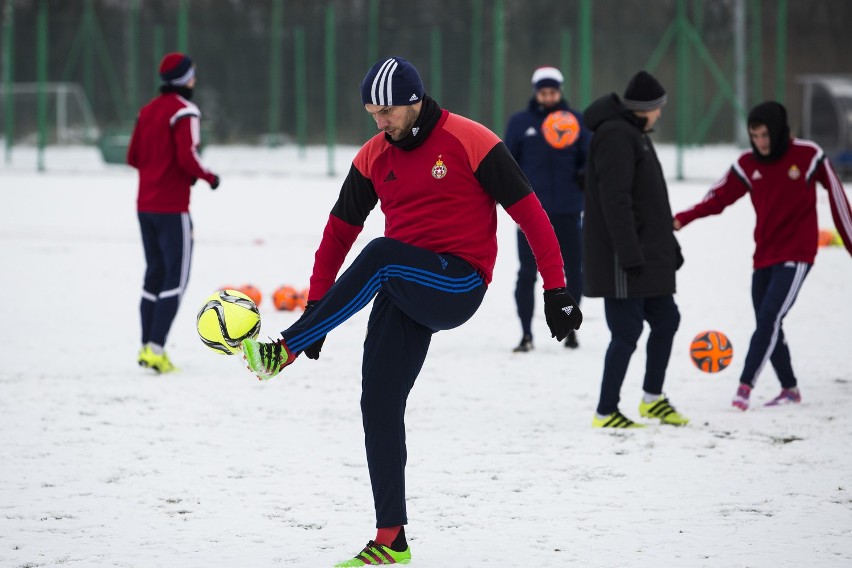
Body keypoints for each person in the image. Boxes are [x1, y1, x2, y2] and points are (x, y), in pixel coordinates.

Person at [241, 56, 583, 566]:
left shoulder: (471, 140)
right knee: (377, 403)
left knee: (380, 255)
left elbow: (530, 213)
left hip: (459, 280)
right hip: (401, 285)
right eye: (371, 112)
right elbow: (337, 233)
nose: (379, 122)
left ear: (414, 101)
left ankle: (285, 349)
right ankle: (390, 540)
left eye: (386, 111)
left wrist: (555, 290)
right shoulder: (372, 156)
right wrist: (318, 302)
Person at [674, 101, 852, 410]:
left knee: (769, 317)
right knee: (768, 322)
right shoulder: (747, 164)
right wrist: (681, 219)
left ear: (780, 131)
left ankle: (744, 387)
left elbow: (838, 201)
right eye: (754, 136)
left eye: (766, 135)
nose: (761, 142)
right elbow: (717, 199)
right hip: (765, 254)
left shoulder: (809, 156)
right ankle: (790, 389)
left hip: (798, 253)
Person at [582, 70, 689, 428]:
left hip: (649, 255)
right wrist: (628, 254)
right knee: (626, 333)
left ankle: (652, 398)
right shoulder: (616, 136)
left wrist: (669, 245)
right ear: (648, 107)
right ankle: (605, 411)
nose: (661, 114)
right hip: (624, 259)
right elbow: (617, 202)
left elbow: (651, 202)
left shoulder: (635, 135)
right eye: (659, 108)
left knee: (667, 320)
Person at [127, 52, 220, 373]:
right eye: (192, 75)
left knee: (153, 274)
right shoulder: (185, 111)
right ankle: (156, 349)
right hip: (172, 208)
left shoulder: (147, 111)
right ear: (184, 79)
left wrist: (158, 169)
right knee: (175, 278)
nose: (195, 80)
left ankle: (146, 347)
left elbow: (134, 157)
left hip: (144, 207)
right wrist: (209, 176)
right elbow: (187, 156)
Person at [504, 66, 590, 352]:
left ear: (561, 91)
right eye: (544, 91)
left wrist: (584, 172)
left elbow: (588, 158)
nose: (549, 96)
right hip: (530, 214)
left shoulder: (576, 121)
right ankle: (526, 334)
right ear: (536, 92)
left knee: (573, 272)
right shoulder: (520, 123)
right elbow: (507, 165)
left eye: (554, 91)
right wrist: (513, 203)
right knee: (527, 272)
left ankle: (570, 329)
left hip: (568, 210)